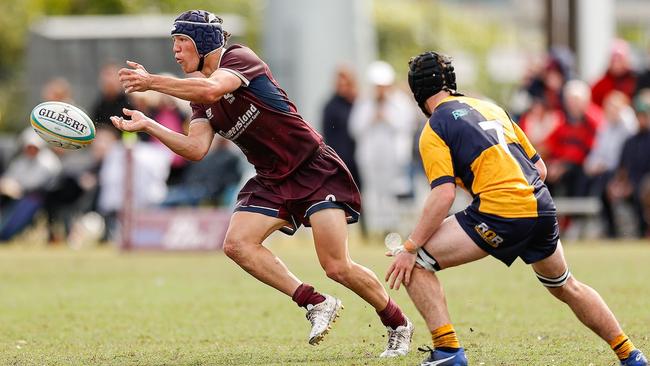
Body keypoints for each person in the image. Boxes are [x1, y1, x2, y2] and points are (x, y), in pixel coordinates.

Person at [110, 9, 413, 357]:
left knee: (336, 266)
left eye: (181, 41)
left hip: (312, 169)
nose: (175, 51)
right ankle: (315, 303)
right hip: (271, 179)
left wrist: (152, 82)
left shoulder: (239, 58)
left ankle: (398, 323)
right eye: (174, 43)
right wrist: (149, 124)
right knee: (237, 244)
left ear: (204, 42)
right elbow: (195, 148)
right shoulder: (198, 98)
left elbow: (211, 89)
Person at [385, 51, 647, 366]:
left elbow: (442, 195)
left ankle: (448, 351)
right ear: (451, 82)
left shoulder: (434, 128)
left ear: (417, 93)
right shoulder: (492, 108)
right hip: (541, 206)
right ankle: (629, 354)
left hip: (502, 211)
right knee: (565, 284)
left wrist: (410, 246)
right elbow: (542, 169)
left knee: (413, 262)